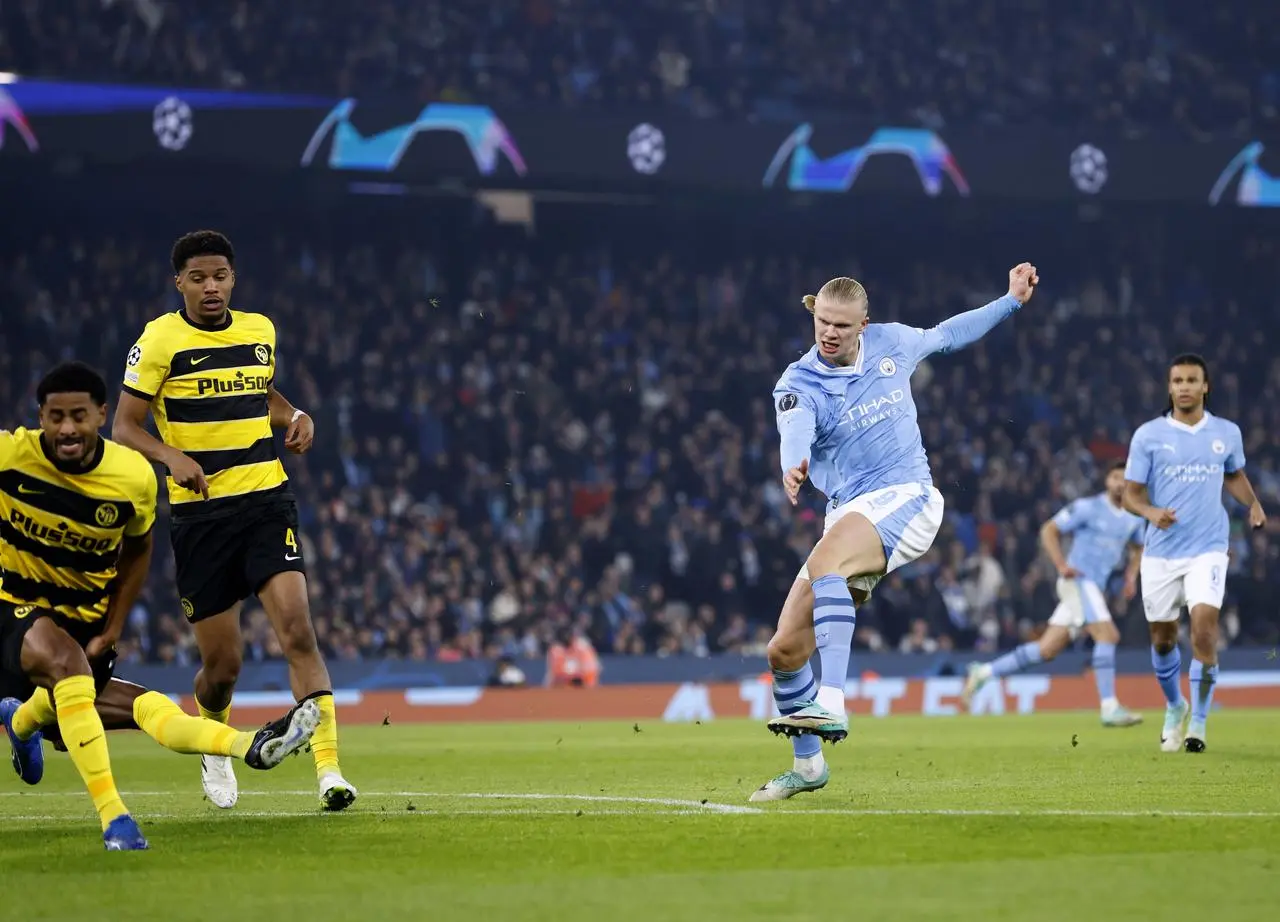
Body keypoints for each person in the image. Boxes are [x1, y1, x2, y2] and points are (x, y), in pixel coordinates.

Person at [0, 362, 319, 850]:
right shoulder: (10, 459)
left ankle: (22, 722)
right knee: (67, 667)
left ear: (101, 415)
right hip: (14, 609)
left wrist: (114, 626)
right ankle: (117, 821)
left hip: (85, 625)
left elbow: (138, 549)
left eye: (78, 416)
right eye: (55, 416)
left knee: (149, 706)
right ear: (39, 417)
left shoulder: (131, 479)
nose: (67, 428)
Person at [750, 263, 1038, 802]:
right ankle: (809, 767)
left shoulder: (892, 343)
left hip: (910, 497)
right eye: (823, 323)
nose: (830, 333)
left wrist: (1010, 301)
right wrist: (794, 463)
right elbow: (795, 427)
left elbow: (949, 335)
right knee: (784, 650)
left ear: (864, 323)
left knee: (825, 564)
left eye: (842, 324)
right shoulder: (798, 381)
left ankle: (831, 701)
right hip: (850, 514)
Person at [111, 230, 356, 811]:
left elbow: (260, 391)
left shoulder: (260, 330)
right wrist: (171, 456)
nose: (211, 286)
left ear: (233, 278)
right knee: (223, 668)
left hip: (266, 503)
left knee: (298, 630)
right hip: (201, 519)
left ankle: (329, 772)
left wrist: (296, 413)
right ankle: (215, 743)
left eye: (219, 275)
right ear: (180, 283)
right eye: (198, 277)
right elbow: (123, 425)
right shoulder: (159, 340)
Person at [1122, 353, 1267, 753]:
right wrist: (1151, 511)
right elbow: (1130, 494)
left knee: (1204, 629)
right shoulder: (1148, 435)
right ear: (1169, 388)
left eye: (1192, 380)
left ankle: (1198, 724)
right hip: (1161, 552)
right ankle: (1175, 705)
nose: (1184, 386)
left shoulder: (1226, 432)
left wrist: (1252, 504)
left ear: (1206, 387)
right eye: (1178, 380)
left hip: (1208, 547)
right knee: (1164, 640)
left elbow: (1234, 475)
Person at [960, 460, 1145, 726]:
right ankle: (1109, 707)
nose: (1120, 483)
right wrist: (1061, 564)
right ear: (1107, 481)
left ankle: (984, 672)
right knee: (1108, 635)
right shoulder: (1088, 508)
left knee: (1046, 649)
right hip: (1078, 582)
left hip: (1093, 589)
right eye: (1115, 477)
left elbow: (1138, 547)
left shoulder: (1132, 518)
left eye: (1125, 478)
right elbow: (1049, 529)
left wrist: (1130, 576)